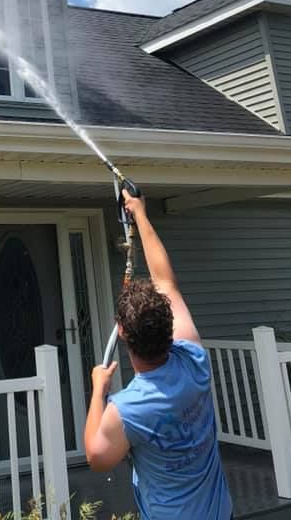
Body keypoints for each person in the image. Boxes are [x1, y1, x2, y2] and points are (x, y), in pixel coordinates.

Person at [83, 188, 233, 520]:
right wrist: (140, 213)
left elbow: (96, 456)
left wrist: (98, 390)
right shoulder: (193, 360)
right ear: (168, 325)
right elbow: (166, 283)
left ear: (122, 334)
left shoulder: (128, 409)